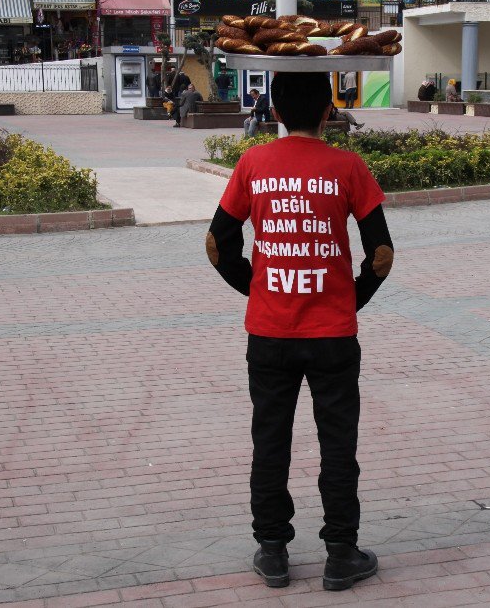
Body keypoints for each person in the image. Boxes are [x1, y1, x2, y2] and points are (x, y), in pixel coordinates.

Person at [205, 71, 393, 592]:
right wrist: (349, 298)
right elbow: (380, 254)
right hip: (333, 334)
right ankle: (341, 553)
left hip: (269, 332)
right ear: (328, 112)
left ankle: (272, 552)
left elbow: (219, 244)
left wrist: (261, 288)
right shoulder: (349, 166)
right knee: (338, 444)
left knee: (269, 440)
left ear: (275, 112)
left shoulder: (253, 164)